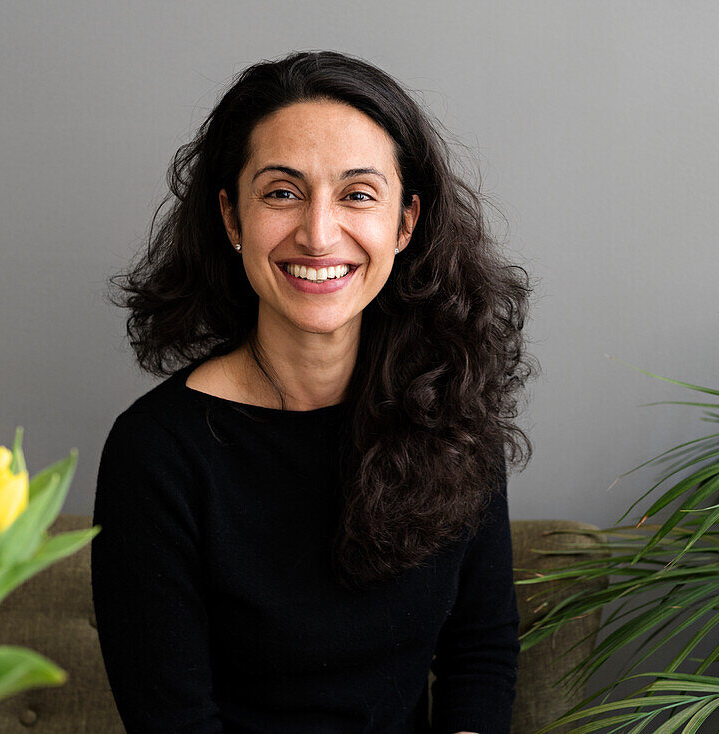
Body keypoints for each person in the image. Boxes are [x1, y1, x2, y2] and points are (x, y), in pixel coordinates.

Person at [91, 50, 535, 734]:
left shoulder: (449, 414)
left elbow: (479, 658)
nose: (319, 233)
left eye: (357, 194)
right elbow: (173, 722)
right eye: (281, 192)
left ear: (405, 223)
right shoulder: (157, 452)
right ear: (233, 219)